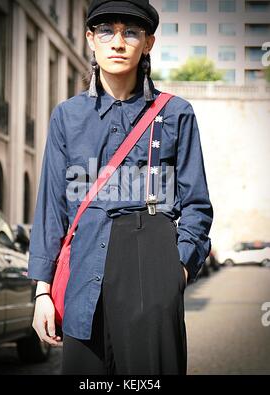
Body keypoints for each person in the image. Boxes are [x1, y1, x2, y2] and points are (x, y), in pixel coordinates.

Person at [27, 0, 213, 375]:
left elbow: (197, 205)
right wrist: (42, 290)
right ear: (90, 40)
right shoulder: (67, 116)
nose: (117, 42)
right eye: (106, 31)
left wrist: (174, 273)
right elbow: (52, 207)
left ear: (148, 43)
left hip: (152, 266)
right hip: (83, 275)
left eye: (130, 31)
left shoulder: (176, 113)